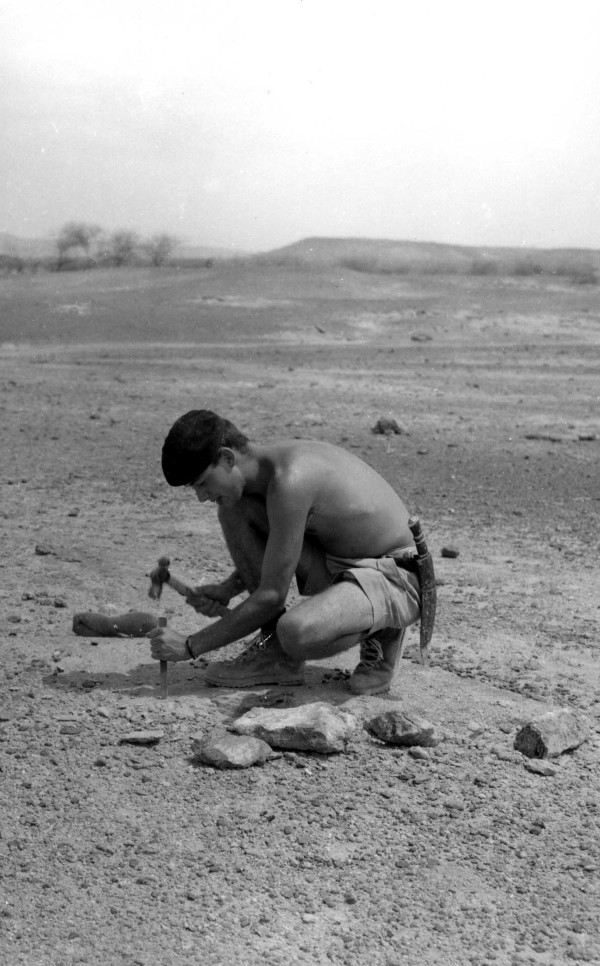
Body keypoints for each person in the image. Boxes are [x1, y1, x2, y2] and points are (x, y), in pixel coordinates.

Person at [148, 409, 422, 695]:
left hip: (397, 575)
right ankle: (274, 656)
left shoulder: (291, 480)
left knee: (293, 632)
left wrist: (190, 645)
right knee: (234, 509)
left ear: (228, 457)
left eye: (202, 483)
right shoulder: (268, 473)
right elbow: (282, 543)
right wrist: (229, 588)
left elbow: (270, 597)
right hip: (344, 562)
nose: (201, 496)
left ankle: (383, 628)